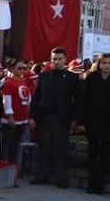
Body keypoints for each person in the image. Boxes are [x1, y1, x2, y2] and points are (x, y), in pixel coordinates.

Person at [28, 47, 80, 188]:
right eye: (54, 59)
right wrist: (32, 116)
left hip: (62, 119)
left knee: (60, 149)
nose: (56, 62)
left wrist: (75, 119)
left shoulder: (72, 78)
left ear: (65, 60)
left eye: (59, 59)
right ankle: (41, 175)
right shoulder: (44, 76)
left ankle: (61, 178)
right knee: (43, 148)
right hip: (44, 118)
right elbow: (36, 98)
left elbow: (77, 100)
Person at [79, 53, 110, 195]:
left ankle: (101, 183)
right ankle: (91, 181)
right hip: (93, 121)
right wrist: (81, 121)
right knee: (92, 153)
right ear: (99, 64)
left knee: (106, 153)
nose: (107, 66)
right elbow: (83, 101)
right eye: (104, 63)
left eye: (109, 63)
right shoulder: (91, 78)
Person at [0, 59, 33, 173]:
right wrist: (10, 116)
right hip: (11, 120)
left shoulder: (23, 82)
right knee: (7, 145)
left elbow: (28, 99)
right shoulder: (9, 82)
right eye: (19, 68)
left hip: (22, 119)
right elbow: (7, 99)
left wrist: (30, 115)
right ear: (12, 69)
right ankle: (4, 168)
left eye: (24, 68)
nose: (22, 70)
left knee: (15, 144)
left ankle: (13, 169)